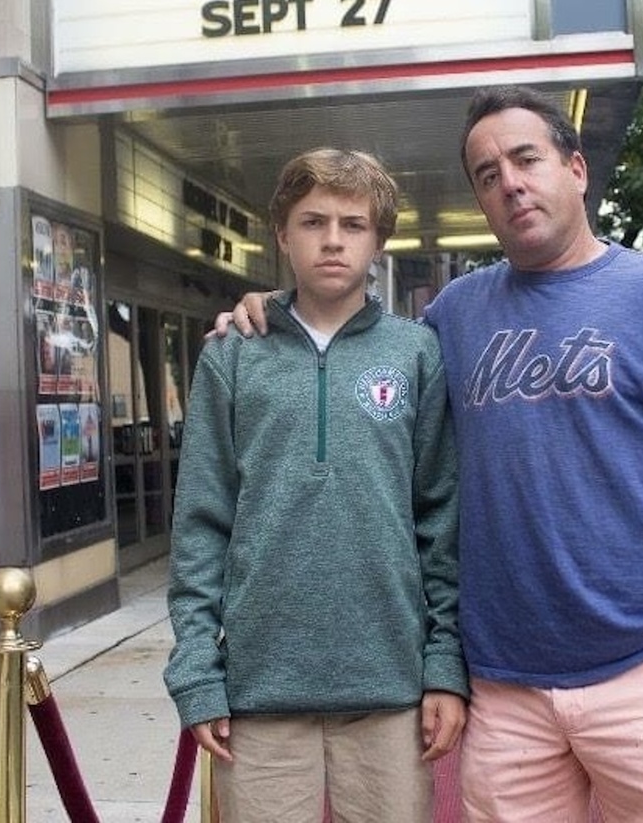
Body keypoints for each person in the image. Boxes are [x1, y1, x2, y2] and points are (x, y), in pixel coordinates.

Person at [217, 86, 643, 823]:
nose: (509, 182)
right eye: (487, 174)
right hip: (506, 685)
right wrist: (269, 313)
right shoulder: (454, 316)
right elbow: (353, 339)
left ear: (576, 168)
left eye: (526, 159)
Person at [164, 146, 467, 823]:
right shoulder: (232, 355)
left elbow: (440, 521)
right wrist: (196, 672)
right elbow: (200, 527)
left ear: (379, 239)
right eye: (313, 221)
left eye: (354, 224)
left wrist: (444, 663)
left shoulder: (416, 354)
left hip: (389, 689)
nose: (333, 239)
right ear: (282, 233)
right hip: (258, 693)